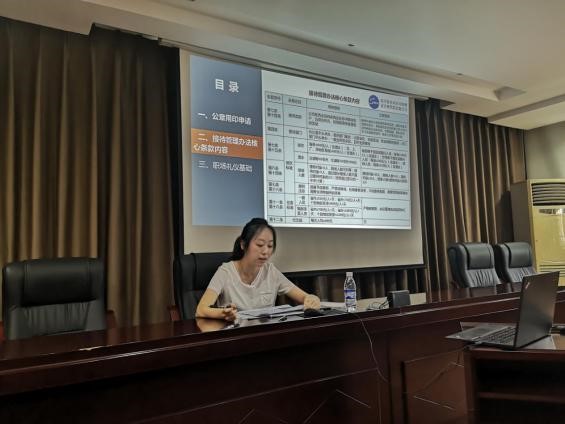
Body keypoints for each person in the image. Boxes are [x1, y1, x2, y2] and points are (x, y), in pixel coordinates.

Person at [195, 217, 320, 321]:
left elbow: (305, 297)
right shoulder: (226, 272)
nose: (265, 251)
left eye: (270, 246)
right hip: (234, 335)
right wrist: (223, 314)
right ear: (243, 244)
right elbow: (201, 310)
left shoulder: (270, 271)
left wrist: (312, 299)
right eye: (260, 245)